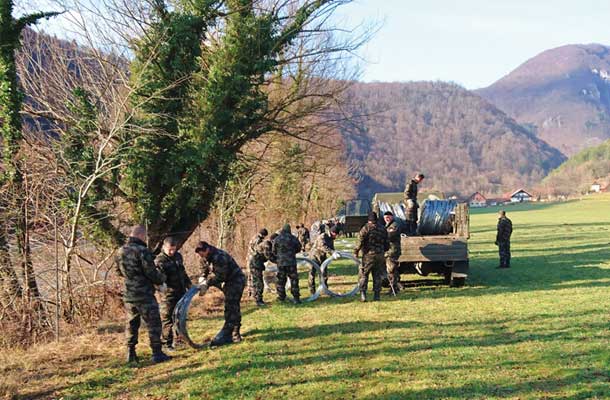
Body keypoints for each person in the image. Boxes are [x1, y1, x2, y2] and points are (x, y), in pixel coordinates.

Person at [116, 225, 171, 364]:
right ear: (141, 235)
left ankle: (130, 352)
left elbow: (118, 272)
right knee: (154, 323)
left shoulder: (120, 251)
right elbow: (151, 272)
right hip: (144, 294)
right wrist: (161, 280)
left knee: (131, 323)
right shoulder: (142, 251)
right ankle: (157, 353)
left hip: (129, 293)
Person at [196, 241, 246, 347]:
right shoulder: (204, 257)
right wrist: (202, 280)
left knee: (232, 307)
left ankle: (232, 334)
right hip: (226, 282)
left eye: (202, 253)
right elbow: (203, 270)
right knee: (232, 307)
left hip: (235, 280)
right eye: (199, 254)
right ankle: (233, 332)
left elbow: (221, 276)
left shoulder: (219, 257)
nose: (201, 256)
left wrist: (207, 283)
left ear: (207, 250)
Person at [154, 236, 191, 351]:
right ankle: (166, 344)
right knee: (167, 320)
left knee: (180, 318)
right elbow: (157, 279)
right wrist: (161, 286)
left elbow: (182, 272)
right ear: (164, 247)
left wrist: (189, 284)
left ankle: (179, 340)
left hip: (181, 292)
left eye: (174, 249)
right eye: (170, 249)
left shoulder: (178, 257)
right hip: (168, 296)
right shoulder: (159, 261)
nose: (172, 252)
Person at [354, 212, 389, 302]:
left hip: (368, 255)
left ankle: (363, 294)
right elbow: (387, 243)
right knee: (377, 275)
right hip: (380, 255)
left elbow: (360, 241)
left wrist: (356, 252)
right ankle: (377, 295)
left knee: (364, 274)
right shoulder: (382, 228)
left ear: (369, 220)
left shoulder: (366, 228)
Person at [272, 224, 302, 303]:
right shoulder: (293, 238)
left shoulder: (277, 239)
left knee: (281, 280)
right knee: (294, 280)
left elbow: (273, 251)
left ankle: (281, 297)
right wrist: (292, 253)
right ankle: (296, 298)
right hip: (291, 262)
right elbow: (299, 248)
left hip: (281, 263)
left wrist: (279, 256)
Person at [308, 225, 339, 294]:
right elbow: (323, 246)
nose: (336, 237)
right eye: (336, 235)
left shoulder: (331, 238)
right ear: (333, 232)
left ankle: (324, 289)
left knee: (324, 273)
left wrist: (334, 253)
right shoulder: (322, 236)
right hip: (314, 256)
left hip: (322, 257)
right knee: (312, 273)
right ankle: (312, 291)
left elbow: (331, 248)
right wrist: (332, 252)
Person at [247, 229, 269, 306]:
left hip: (250, 262)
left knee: (251, 279)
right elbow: (259, 252)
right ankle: (258, 300)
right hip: (255, 263)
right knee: (258, 282)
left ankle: (251, 294)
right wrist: (266, 257)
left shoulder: (253, 238)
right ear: (264, 235)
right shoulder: (258, 241)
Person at [383, 211, 402, 294]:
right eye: (385, 217)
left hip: (393, 251)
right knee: (392, 269)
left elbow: (389, 235)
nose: (387, 218)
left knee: (391, 269)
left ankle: (393, 288)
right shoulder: (386, 226)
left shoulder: (394, 225)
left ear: (392, 217)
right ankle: (395, 286)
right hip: (388, 250)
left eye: (389, 217)